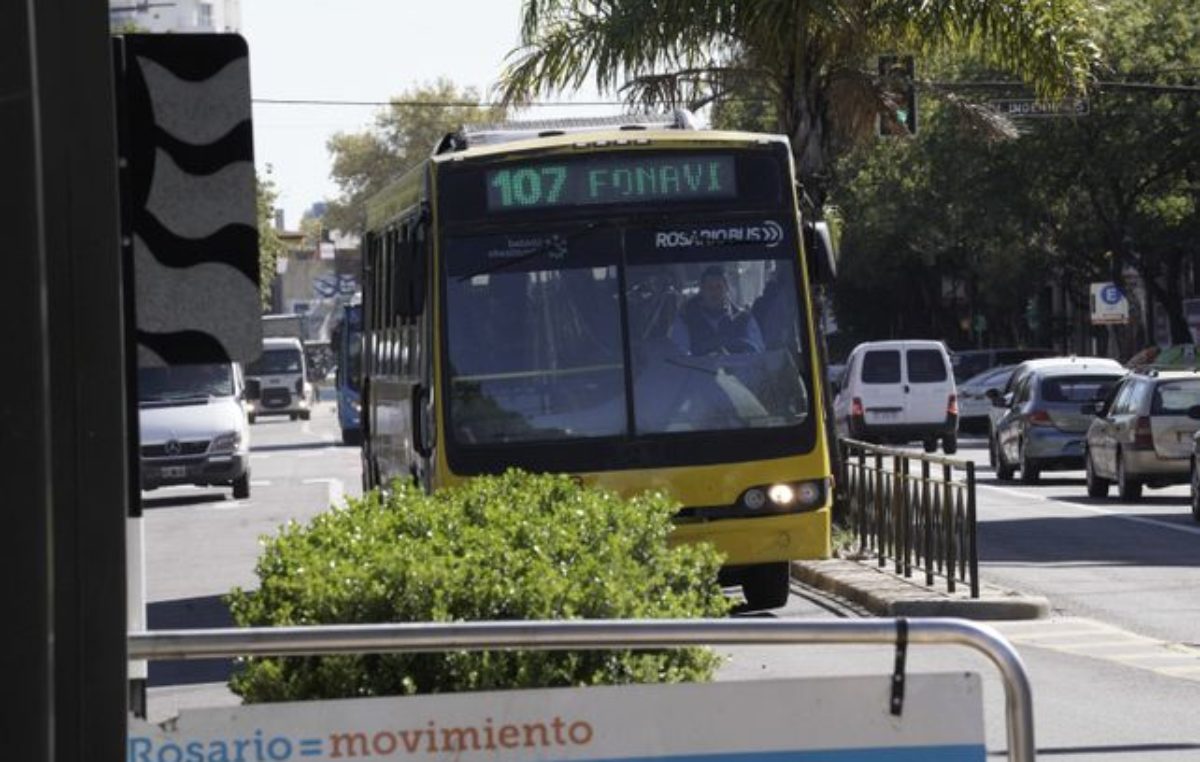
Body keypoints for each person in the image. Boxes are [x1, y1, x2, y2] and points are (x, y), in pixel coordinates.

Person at [668, 265, 765, 355]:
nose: (714, 292)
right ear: (702, 290)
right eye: (710, 287)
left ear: (726, 289)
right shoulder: (685, 320)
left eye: (719, 287)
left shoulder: (745, 319)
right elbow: (678, 355)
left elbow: (758, 354)